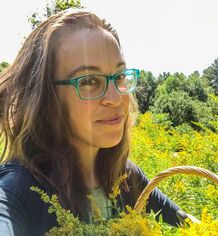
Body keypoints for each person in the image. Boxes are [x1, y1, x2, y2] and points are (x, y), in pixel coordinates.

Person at [0, 9, 190, 236]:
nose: (115, 98)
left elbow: (192, 225)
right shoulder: (21, 190)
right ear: (47, 97)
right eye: (90, 81)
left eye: (119, 77)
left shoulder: (125, 177)